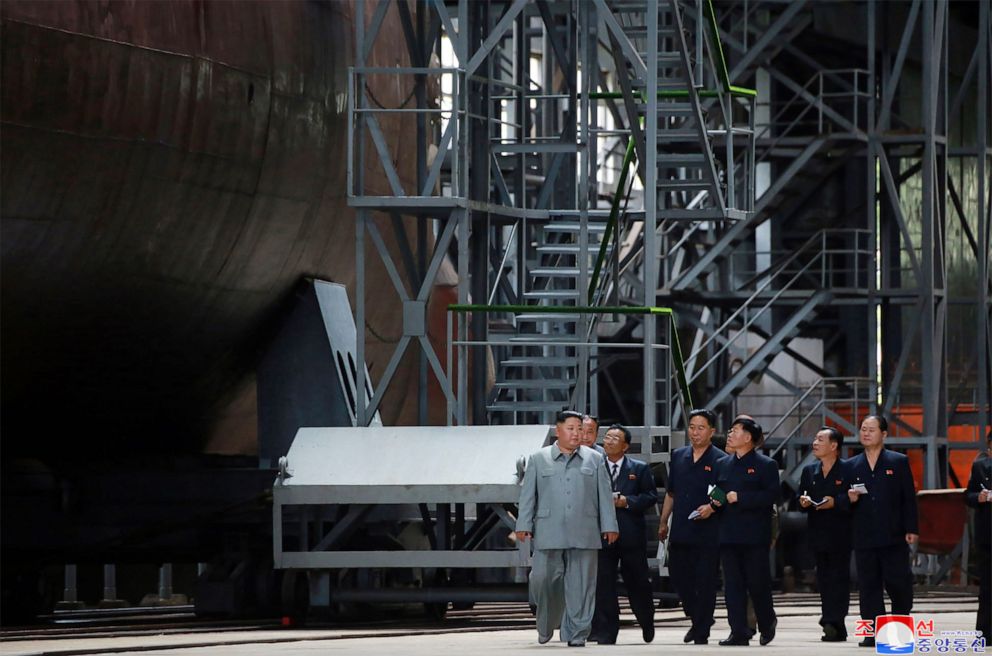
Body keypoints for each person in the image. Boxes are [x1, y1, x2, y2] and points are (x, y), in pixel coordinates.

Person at [516, 410, 619, 647]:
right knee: (542, 579)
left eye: (580, 429)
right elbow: (528, 495)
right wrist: (523, 524)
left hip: (584, 530)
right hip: (548, 530)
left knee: (582, 585)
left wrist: (609, 525)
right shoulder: (539, 458)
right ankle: (546, 621)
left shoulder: (594, 458)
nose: (576, 434)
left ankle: (577, 633)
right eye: (571, 428)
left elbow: (604, 495)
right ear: (558, 430)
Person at [846, 414, 918, 649]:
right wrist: (849, 499)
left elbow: (909, 498)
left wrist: (912, 528)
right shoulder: (851, 465)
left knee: (898, 583)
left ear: (884, 434)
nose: (865, 433)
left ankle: (900, 631)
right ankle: (871, 633)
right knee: (868, 586)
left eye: (871, 429)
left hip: (894, 534)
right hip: (864, 534)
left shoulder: (897, 462)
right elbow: (842, 502)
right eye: (863, 429)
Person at [659, 408, 728, 645]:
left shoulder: (720, 458)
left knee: (705, 581)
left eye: (700, 428)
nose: (695, 432)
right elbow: (671, 492)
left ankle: (701, 629)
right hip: (680, 528)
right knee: (679, 576)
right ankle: (699, 617)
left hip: (708, 531)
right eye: (691, 427)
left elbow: (723, 492)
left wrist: (712, 506)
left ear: (711, 431)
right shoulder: (679, 455)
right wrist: (663, 521)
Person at [712, 416, 779, 646]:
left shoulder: (765, 465)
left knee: (757, 583)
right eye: (730, 430)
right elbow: (716, 491)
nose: (730, 434)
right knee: (733, 586)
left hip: (754, 536)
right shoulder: (723, 464)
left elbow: (771, 496)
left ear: (748, 438)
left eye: (735, 430)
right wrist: (715, 502)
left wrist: (741, 497)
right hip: (728, 534)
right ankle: (738, 631)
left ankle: (767, 621)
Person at [590, 424, 657, 644]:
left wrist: (626, 501)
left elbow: (650, 496)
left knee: (638, 582)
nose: (608, 442)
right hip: (602, 536)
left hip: (630, 535)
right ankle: (608, 632)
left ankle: (646, 620)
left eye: (614, 439)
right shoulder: (594, 466)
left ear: (625, 446)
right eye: (606, 437)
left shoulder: (639, 468)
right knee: (604, 584)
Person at [798, 426, 852, 642]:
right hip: (817, 532)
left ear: (834, 446)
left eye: (820, 439)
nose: (815, 443)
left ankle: (834, 621)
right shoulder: (809, 471)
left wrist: (835, 502)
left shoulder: (848, 470)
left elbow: (855, 498)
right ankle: (831, 621)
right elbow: (800, 496)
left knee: (839, 578)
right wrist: (803, 502)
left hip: (841, 533)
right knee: (824, 579)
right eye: (815, 438)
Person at [964, 432, 991, 641]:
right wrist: (978, 497)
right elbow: (968, 495)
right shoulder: (980, 467)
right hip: (987, 535)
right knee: (988, 586)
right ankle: (985, 632)